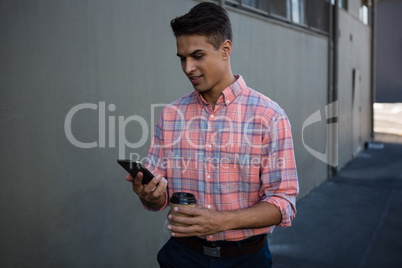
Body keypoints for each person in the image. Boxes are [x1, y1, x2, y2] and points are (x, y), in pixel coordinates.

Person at [125, 2, 299, 267]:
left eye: (197, 55)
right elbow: (159, 196)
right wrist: (149, 194)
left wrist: (220, 222)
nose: (188, 68)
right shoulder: (171, 115)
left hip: (246, 260)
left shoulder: (269, 117)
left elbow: (283, 202)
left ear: (225, 49)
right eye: (182, 58)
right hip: (182, 256)